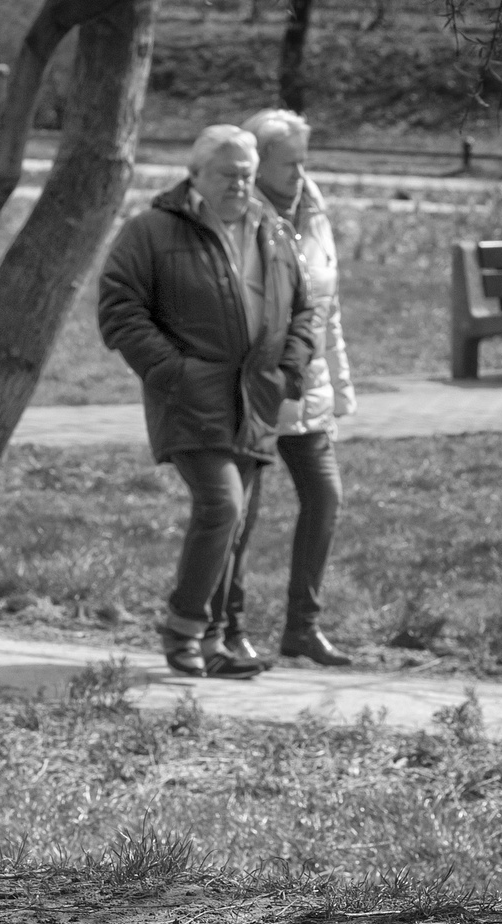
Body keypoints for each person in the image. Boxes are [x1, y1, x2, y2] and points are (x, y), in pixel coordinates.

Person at [98, 126, 315, 678]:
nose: (239, 185)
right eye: (227, 174)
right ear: (196, 176)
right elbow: (120, 306)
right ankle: (183, 627)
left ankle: (214, 642)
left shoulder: (274, 231)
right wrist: (172, 371)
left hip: (257, 397)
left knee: (236, 524)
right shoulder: (152, 231)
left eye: (246, 174)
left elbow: (303, 310)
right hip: (190, 398)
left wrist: (288, 369)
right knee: (223, 506)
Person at [224, 108, 357, 667]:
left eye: (306, 161)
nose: (301, 173)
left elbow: (326, 309)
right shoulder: (238, 218)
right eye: (289, 164)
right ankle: (227, 627)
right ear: (258, 165)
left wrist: (341, 384)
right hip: (254, 384)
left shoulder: (314, 210)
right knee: (238, 511)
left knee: (324, 496)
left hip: (311, 386)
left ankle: (302, 626)